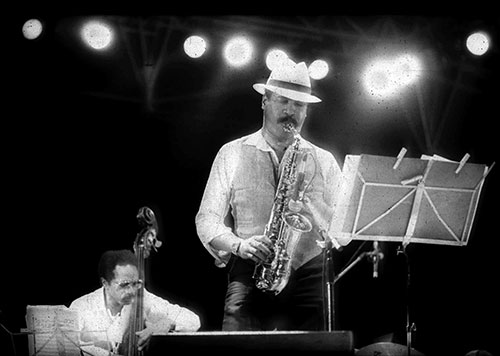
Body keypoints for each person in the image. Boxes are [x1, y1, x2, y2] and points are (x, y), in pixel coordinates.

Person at [195, 59, 343, 331]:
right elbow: (206, 219)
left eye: (299, 105)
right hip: (252, 266)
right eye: (283, 101)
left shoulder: (323, 159)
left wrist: (315, 212)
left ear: (307, 112)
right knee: (236, 348)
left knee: (319, 351)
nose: (291, 111)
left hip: (309, 271)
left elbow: (343, 226)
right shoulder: (232, 152)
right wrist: (239, 245)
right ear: (265, 101)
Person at [69, 249, 200, 356]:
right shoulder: (81, 306)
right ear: (105, 283)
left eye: (135, 283)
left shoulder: (142, 297)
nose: (131, 291)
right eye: (124, 285)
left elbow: (193, 320)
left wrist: (165, 324)